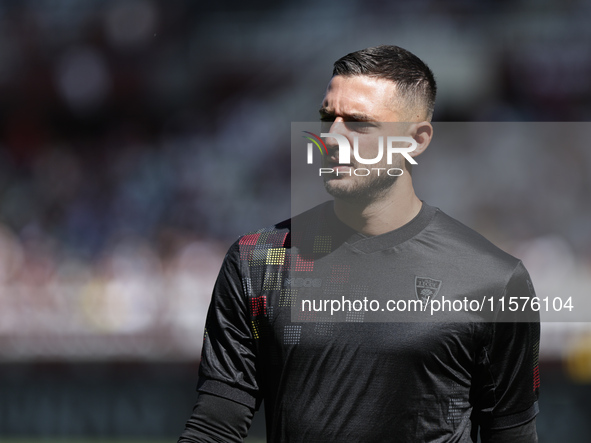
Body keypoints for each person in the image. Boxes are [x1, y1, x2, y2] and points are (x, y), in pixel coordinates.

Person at [178, 45, 540, 442]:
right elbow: (215, 426)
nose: (331, 137)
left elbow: (511, 434)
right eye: (326, 118)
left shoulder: (493, 280)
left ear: (416, 140)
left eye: (358, 122)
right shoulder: (260, 261)